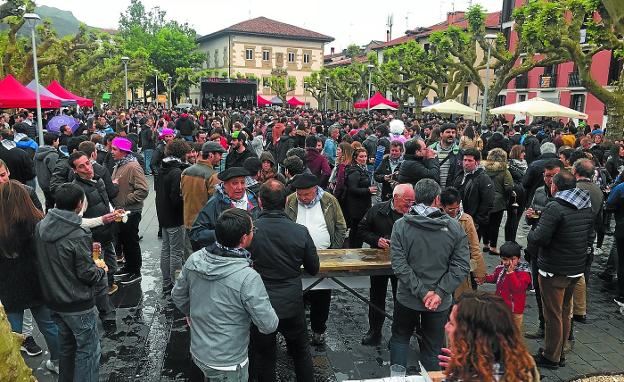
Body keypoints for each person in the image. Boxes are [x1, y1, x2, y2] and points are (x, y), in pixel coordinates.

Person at [172, 208, 278, 381]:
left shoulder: (195, 259)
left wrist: (192, 312)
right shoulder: (248, 277)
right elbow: (268, 324)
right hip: (229, 361)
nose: (253, 233)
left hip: (199, 351)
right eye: (252, 230)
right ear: (244, 238)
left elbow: (178, 296)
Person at [389, 178, 470, 371]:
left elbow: (400, 265)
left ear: (416, 198)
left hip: (408, 297)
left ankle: (396, 376)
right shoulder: (454, 227)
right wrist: (439, 293)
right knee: (434, 347)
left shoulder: (401, 225)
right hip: (439, 302)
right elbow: (460, 265)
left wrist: (422, 292)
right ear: (437, 199)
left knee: (400, 338)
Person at [35, 183, 107, 382]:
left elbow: (57, 256)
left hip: (53, 301)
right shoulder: (77, 233)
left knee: (67, 347)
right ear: (79, 205)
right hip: (77, 303)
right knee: (89, 351)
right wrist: (100, 269)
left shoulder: (41, 226)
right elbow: (87, 274)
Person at [248, 180, 319, 382]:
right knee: (300, 352)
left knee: (264, 355)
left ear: (260, 202)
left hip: (261, 302)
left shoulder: (251, 232)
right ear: (287, 200)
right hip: (292, 303)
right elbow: (313, 268)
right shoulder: (299, 231)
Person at [528, 170, 594, 369]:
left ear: (554, 186)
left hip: (554, 269)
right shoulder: (585, 204)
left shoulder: (555, 207)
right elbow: (589, 234)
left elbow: (539, 237)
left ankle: (551, 356)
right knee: (565, 312)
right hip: (575, 267)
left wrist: (533, 230)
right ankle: (560, 351)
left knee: (553, 315)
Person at [0, 180, 60, 375]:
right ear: (26, 199)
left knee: (12, 333)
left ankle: (14, 370)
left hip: (8, 284)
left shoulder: (2, 226)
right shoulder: (38, 221)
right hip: (37, 281)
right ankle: (59, 361)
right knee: (49, 325)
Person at [285, 173, 347, 345]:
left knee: (322, 296)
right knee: (297, 295)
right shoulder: (290, 200)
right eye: (300, 194)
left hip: (323, 255)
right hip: (296, 257)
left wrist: (333, 251)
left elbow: (341, 226)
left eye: (307, 194)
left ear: (315, 190)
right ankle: (297, 331)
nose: (303, 198)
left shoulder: (329, 200)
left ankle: (318, 330)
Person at [358, 183, 414, 346]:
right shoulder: (377, 210)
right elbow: (361, 230)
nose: (410, 204)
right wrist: (376, 240)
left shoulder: (415, 213)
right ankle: (374, 331)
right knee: (376, 298)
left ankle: (399, 335)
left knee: (402, 299)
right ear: (396, 198)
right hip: (379, 263)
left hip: (404, 264)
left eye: (413, 201)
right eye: (407, 200)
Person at [441, 292, 539, 381]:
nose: (446, 327)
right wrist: (465, 364)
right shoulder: (524, 362)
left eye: (451, 323)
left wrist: (457, 374)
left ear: (471, 336)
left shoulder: (471, 378)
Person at [69, 150, 120, 309]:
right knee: (100, 276)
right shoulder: (78, 191)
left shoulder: (98, 179)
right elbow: (76, 222)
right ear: (75, 170)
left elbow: (104, 203)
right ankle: (104, 310)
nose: (87, 168)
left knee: (111, 268)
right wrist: (101, 220)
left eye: (88, 163)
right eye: (81, 166)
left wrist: (113, 212)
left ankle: (108, 292)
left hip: (106, 235)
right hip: (93, 241)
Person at [190, 167, 261, 249]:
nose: (240, 187)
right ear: (225, 185)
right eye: (235, 183)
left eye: (242, 182)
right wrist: (223, 235)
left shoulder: (253, 199)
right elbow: (196, 233)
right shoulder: (215, 202)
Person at [110, 137, 149, 285]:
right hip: (121, 211)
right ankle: (128, 267)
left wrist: (126, 199)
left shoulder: (132, 166)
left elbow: (143, 190)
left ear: (123, 151)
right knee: (125, 241)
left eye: (115, 149)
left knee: (131, 241)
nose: (112, 152)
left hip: (131, 211)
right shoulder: (119, 165)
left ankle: (135, 270)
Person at [155, 140, 191, 294]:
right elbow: (176, 198)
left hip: (163, 214)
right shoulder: (176, 172)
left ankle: (166, 280)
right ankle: (175, 282)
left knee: (166, 249)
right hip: (175, 217)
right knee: (177, 252)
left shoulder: (163, 168)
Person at [571, 158, 604, 323]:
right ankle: (580, 309)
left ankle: (573, 308)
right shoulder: (598, 191)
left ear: (575, 171)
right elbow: (600, 219)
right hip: (589, 237)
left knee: (571, 274)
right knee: (584, 272)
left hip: (574, 236)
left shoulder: (574, 188)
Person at [440, 187, 486, 300]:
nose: (454, 212)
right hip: (441, 269)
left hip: (461, 268)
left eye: (456, 208)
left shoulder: (466, 220)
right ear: (442, 205)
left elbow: (474, 247)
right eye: (450, 209)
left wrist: (479, 272)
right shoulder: (436, 219)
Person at [181, 141, 225, 248]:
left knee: (190, 256)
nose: (221, 158)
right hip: (204, 225)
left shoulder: (186, 171)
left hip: (188, 220)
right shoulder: (213, 176)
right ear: (211, 155)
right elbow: (216, 202)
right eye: (219, 154)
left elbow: (182, 193)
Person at [484, 242, 532, 331]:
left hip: (514, 312)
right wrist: (484, 278)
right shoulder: (501, 268)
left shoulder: (524, 273)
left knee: (512, 335)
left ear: (518, 258)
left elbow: (517, 288)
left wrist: (511, 274)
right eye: (505, 259)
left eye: (512, 259)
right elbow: (495, 277)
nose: (508, 263)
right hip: (500, 307)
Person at [452, 148, 494, 242]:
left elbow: (487, 202)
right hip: (457, 218)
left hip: (473, 221)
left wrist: (477, 221)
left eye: (470, 160)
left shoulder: (483, 178)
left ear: (477, 162)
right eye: (465, 160)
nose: (466, 163)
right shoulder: (460, 174)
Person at [482, 148, 514, 255]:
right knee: (495, 225)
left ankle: (485, 244)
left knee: (485, 223)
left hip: (485, 200)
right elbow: (509, 187)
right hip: (498, 202)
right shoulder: (505, 171)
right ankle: (493, 247)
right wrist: (507, 198)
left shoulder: (484, 169)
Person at [345, 148, 376, 248]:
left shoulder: (362, 169)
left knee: (358, 230)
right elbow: (352, 189)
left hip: (362, 206)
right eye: (361, 156)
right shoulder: (355, 171)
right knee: (356, 230)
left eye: (365, 156)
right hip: (356, 208)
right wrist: (368, 190)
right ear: (355, 158)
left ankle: (355, 250)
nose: (364, 159)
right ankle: (354, 251)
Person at [505, 145, 527, 243]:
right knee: (512, 218)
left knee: (517, 219)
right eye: (522, 152)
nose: (524, 154)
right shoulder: (510, 165)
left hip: (523, 194)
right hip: (514, 195)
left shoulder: (524, 163)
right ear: (517, 152)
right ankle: (509, 241)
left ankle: (512, 240)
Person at [429, 123, 462, 187]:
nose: (451, 134)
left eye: (453, 132)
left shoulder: (459, 152)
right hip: (433, 189)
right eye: (448, 132)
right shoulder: (431, 149)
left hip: (450, 191)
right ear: (441, 134)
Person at [34, 132, 60, 211]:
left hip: (42, 183)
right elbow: (56, 171)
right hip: (51, 185)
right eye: (58, 140)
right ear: (53, 141)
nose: (59, 142)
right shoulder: (52, 155)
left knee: (49, 204)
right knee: (55, 206)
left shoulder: (38, 152)